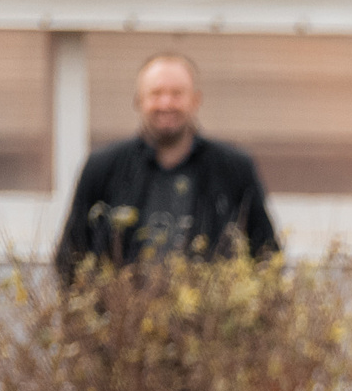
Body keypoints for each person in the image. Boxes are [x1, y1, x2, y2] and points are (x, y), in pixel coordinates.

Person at [53, 52, 277, 279]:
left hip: (212, 315)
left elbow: (267, 257)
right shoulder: (103, 168)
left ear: (196, 100)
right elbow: (70, 259)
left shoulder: (234, 168)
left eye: (177, 94)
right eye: (156, 93)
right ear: (138, 101)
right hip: (121, 314)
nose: (166, 103)